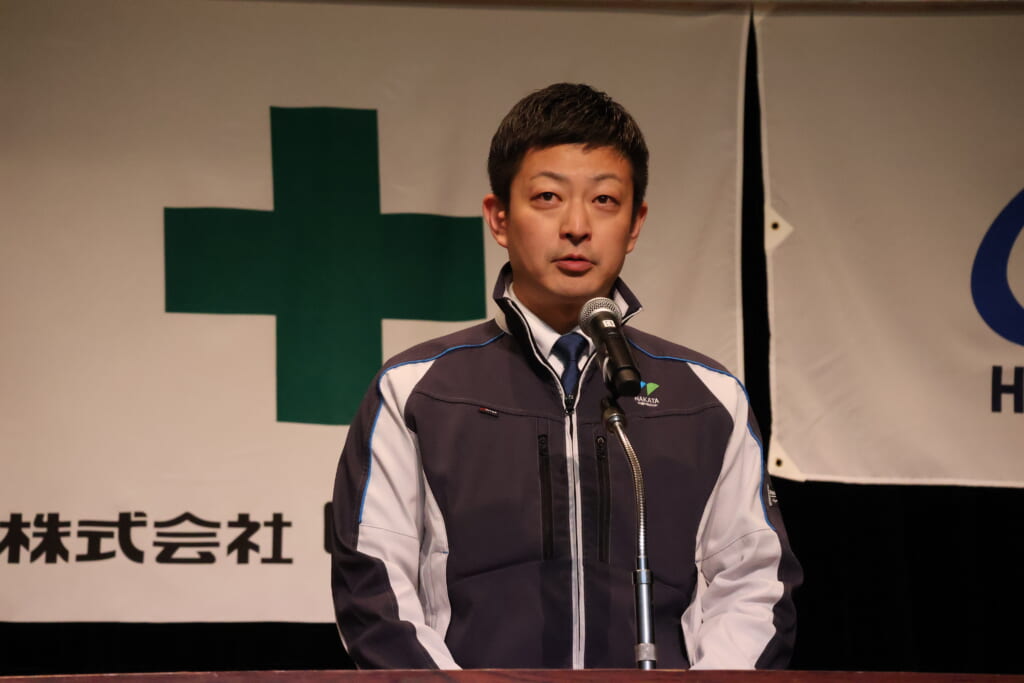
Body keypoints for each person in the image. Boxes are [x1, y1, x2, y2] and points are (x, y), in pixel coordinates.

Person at [330, 82, 801, 670]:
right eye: (548, 197)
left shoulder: (708, 398)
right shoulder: (416, 390)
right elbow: (374, 586)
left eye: (604, 200)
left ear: (635, 223)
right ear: (500, 218)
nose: (577, 225)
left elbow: (754, 583)